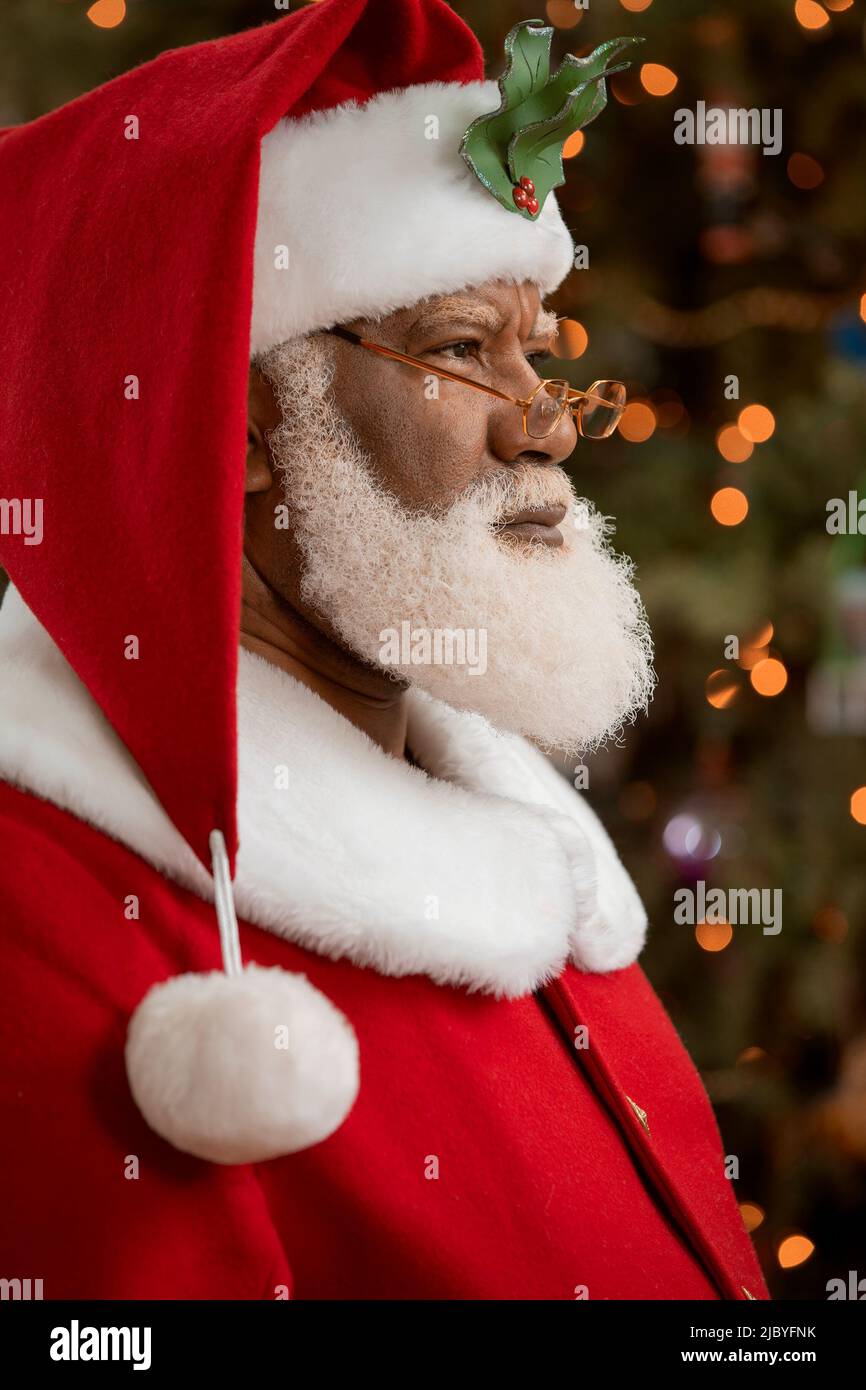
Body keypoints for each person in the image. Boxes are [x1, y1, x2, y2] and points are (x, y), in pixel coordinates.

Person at [0, 0, 768, 1300]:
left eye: (540, 353)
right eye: (462, 351)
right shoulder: (49, 909)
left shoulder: (556, 889)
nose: (545, 427)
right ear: (234, 425)